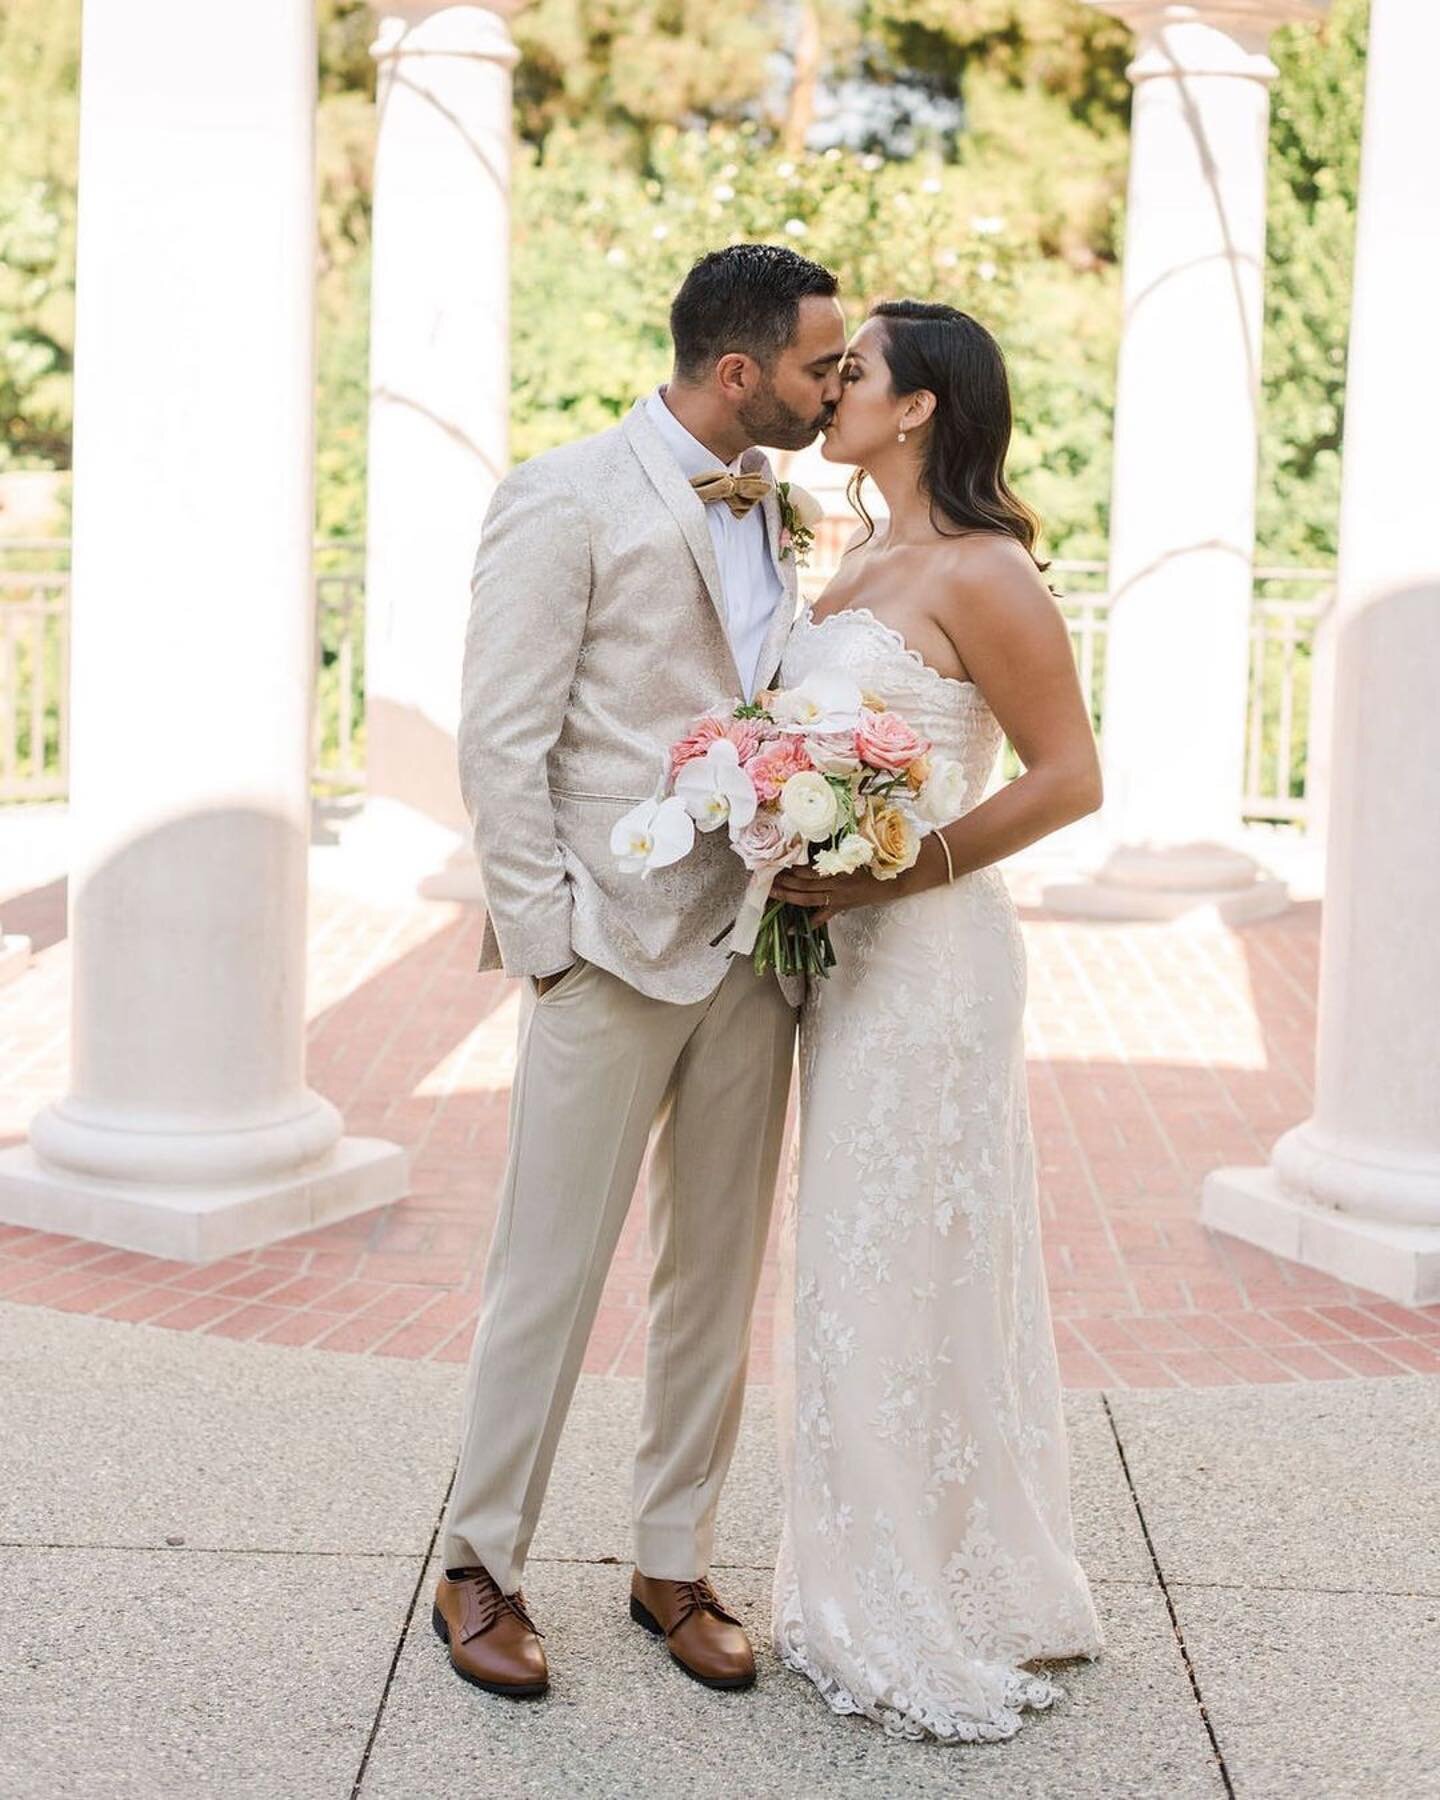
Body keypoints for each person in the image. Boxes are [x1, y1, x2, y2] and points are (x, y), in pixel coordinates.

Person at [435, 244, 847, 1699]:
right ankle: (479, 1564)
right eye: (818, 366)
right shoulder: (562, 495)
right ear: (739, 373)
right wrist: (547, 947)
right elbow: (499, 739)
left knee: (714, 1277)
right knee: (546, 1274)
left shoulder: (785, 507)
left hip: (752, 949)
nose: (835, 384)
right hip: (604, 951)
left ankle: (671, 1558)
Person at [767, 299, 1106, 1741]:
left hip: (933, 957)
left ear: (918, 409)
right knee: (855, 1258)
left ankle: (917, 1588)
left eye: (859, 373)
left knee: (892, 1253)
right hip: (843, 957)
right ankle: (878, 1559)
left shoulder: (985, 570)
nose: (834, 387)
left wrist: (909, 865)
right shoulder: (850, 558)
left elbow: (1071, 775)